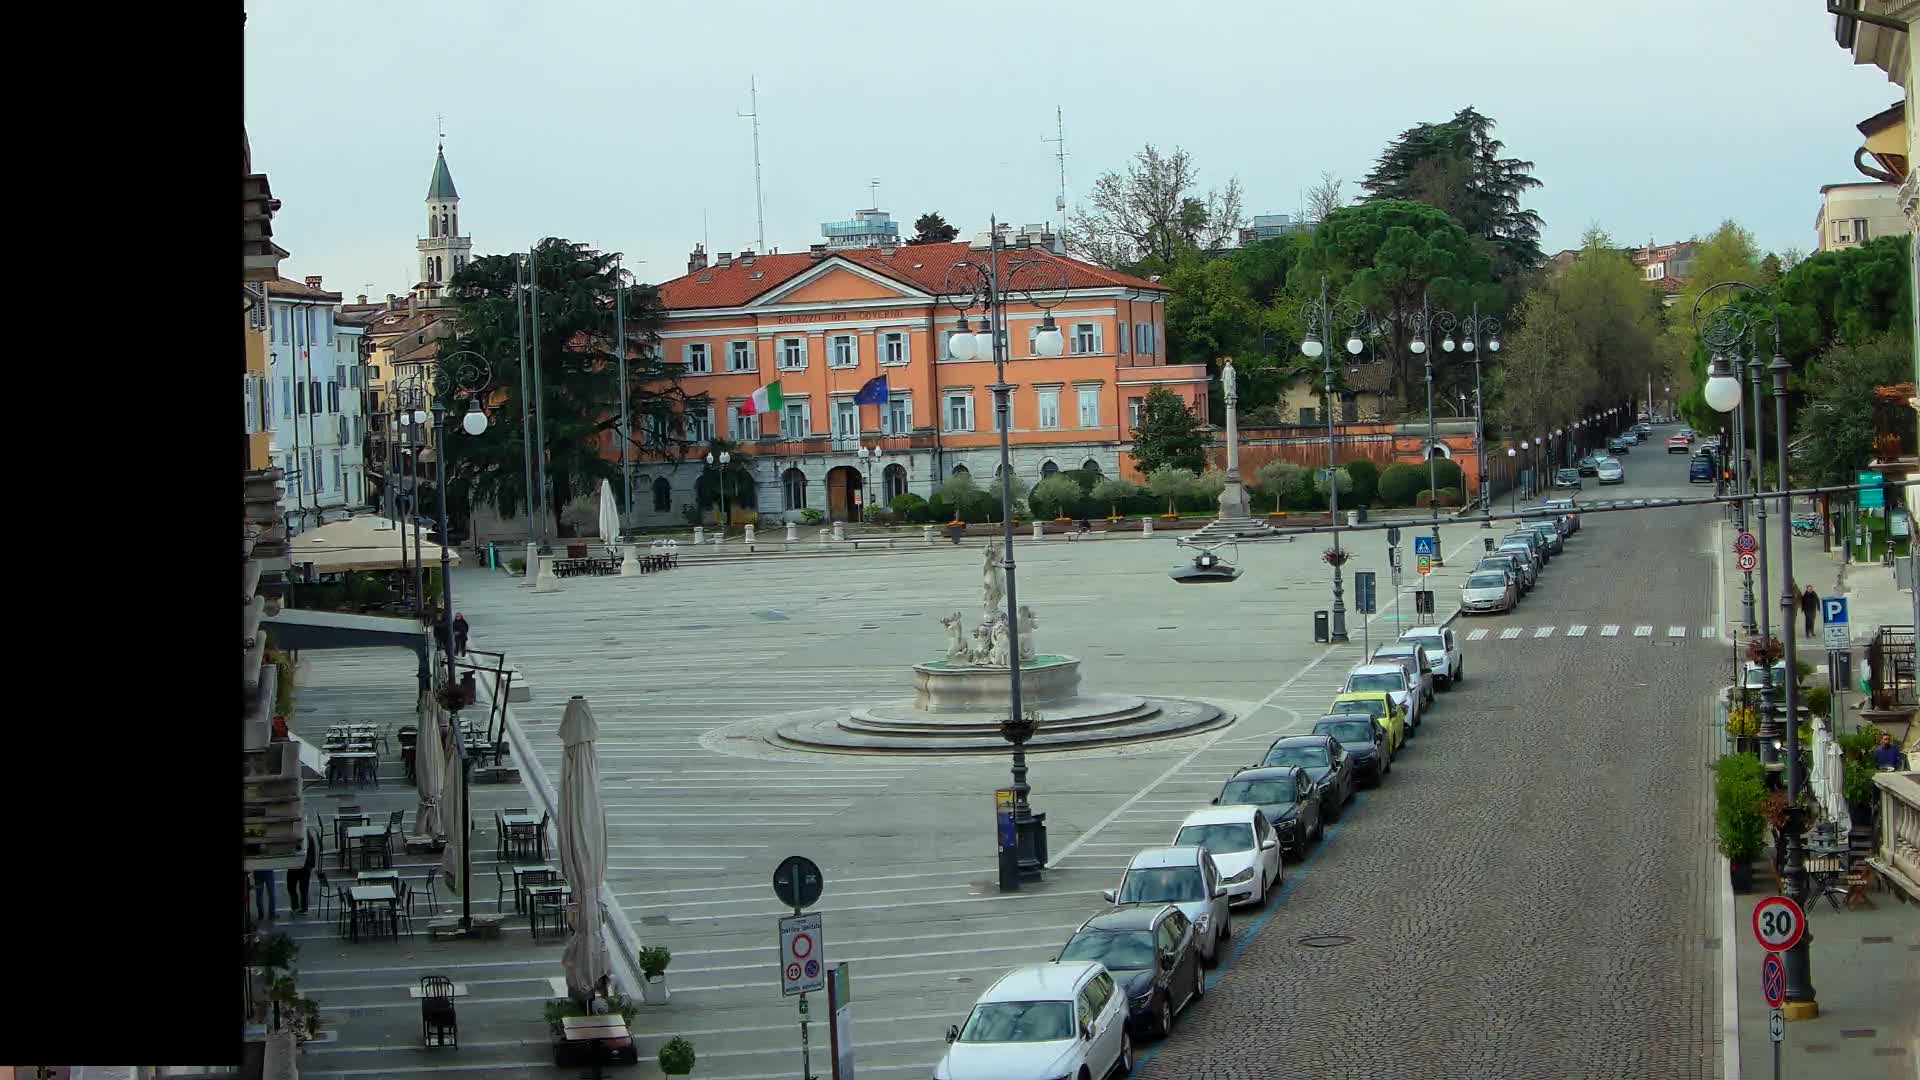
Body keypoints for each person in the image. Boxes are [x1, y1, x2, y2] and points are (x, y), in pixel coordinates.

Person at [287, 826, 318, 915]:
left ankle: (302, 906)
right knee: (292, 887)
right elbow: (313, 849)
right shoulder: (302, 834)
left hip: (303, 866)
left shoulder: (306, 836)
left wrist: (311, 865)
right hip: (295, 865)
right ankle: (296, 905)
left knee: (302, 888)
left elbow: (312, 849)